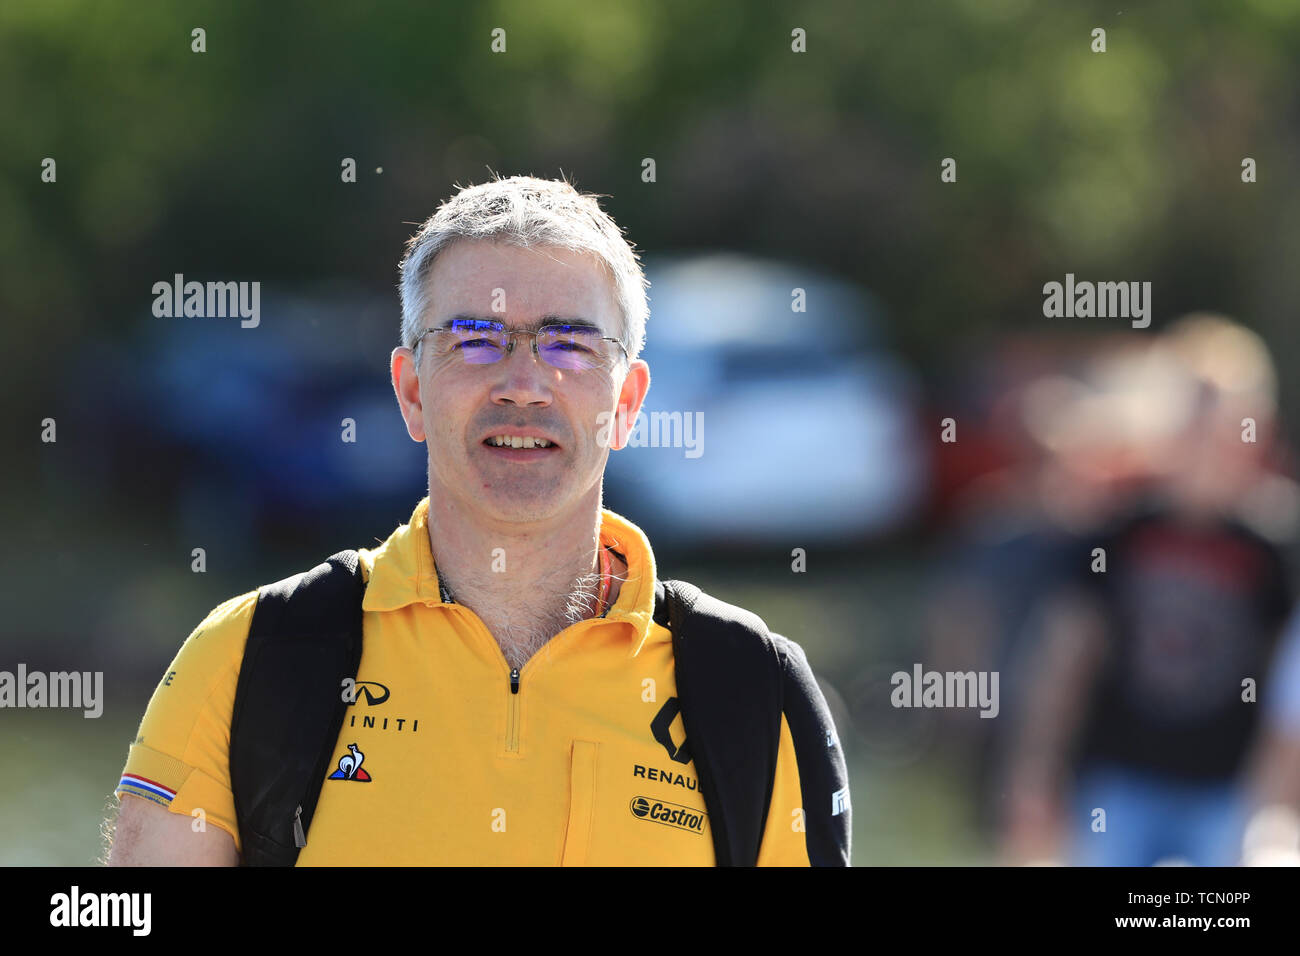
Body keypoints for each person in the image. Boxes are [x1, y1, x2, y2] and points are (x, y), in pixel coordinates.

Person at [105, 173, 850, 866]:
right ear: (410, 392)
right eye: (474, 340)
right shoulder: (245, 657)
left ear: (626, 403)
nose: (523, 384)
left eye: (568, 342)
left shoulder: (755, 690)